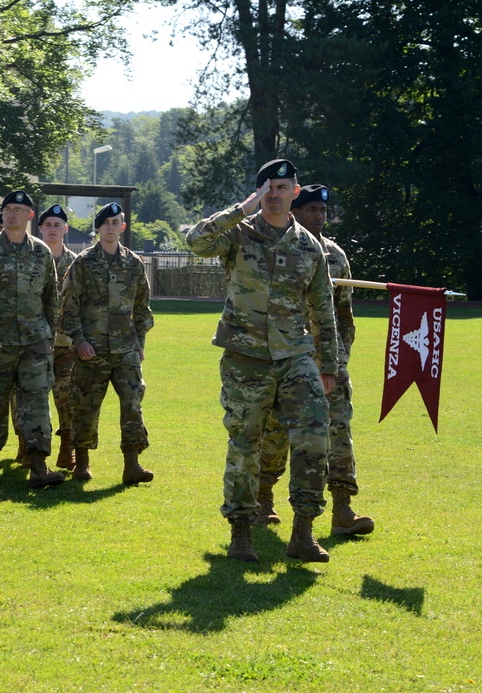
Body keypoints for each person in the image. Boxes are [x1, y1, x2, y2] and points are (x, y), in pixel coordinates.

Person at [186, 159, 339, 563]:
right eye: (268, 187)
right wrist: (240, 209)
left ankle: (303, 533)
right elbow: (196, 241)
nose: (275, 193)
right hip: (246, 357)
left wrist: (329, 367)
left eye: (283, 186)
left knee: (313, 439)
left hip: (295, 355)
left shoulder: (309, 245)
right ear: (259, 192)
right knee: (245, 444)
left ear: (294, 190)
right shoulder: (237, 234)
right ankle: (241, 534)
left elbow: (323, 308)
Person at [257, 184, 374, 535]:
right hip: (287, 361)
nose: (319, 216)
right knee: (276, 435)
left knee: (339, 433)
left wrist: (337, 363)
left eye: (322, 211)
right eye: (312, 210)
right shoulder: (275, 248)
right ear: (296, 210)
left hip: (327, 365)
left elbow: (344, 317)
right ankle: (263, 498)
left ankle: (343, 510)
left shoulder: (336, 256)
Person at [0, 190, 64, 488]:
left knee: (36, 403)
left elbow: (51, 299)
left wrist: (49, 336)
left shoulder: (41, 252)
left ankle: (38, 465)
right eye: (7, 209)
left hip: (34, 342)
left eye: (18, 209)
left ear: (30, 216)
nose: (11, 214)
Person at [60, 203, 154, 484]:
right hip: (92, 350)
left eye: (116, 222)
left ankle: (132, 464)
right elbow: (68, 306)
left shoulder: (134, 263)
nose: (111, 227)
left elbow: (142, 308)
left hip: (125, 350)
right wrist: (78, 341)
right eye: (106, 223)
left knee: (133, 406)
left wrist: (140, 344)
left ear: (122, 227)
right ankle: (82, 463)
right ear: (98, 228)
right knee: (85, 407)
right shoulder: (84, 263)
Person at [38, 204, 79, 471]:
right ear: (40, 228)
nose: (53, 229)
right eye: (48, 225)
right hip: (34, 342)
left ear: (65, 229)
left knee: (66, 397)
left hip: (65, 343)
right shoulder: (31, 258)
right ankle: (29, 447)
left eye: (57, 225)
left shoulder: (77, 263)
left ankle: (67, 448)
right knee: (30, 399)